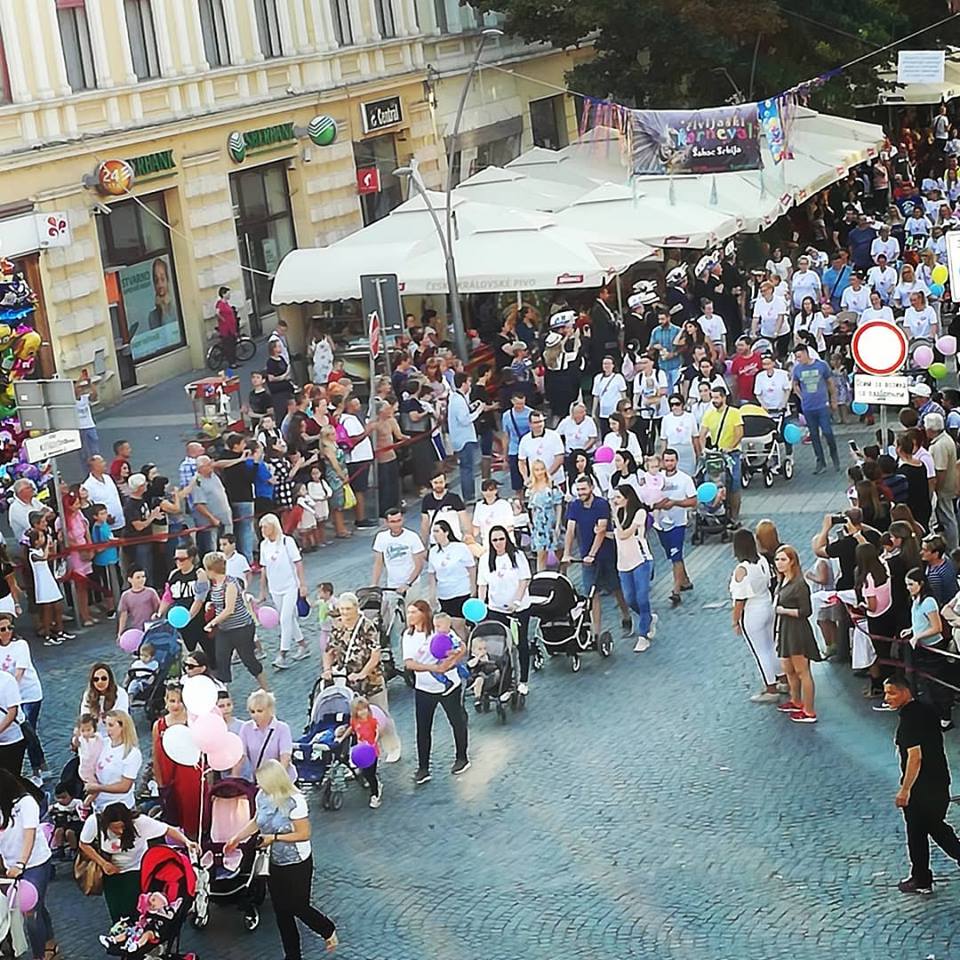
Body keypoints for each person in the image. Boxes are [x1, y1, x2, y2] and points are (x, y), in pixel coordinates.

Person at [224, 760, 337, 955]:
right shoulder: (262, 796)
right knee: (282, 912)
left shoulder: (295, 801)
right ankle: (292, 955)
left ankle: (327, 929)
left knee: (298, 906)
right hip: (275, 861)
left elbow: (303, 834)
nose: (258, 786)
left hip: (297, 861)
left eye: (261, 782)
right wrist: (236, 837)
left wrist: (273, 838)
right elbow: (257, 821)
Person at [883, 673, 960, 894]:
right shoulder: (926, 710)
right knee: (935, 827)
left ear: (905, 692)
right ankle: (922, 877)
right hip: (939, 780)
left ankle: (921, 879)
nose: (887, 697)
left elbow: (914, 758)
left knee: (919, 833)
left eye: (892, 693)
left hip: (921, 788)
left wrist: (905, 790)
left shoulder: (909, 722)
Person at [78, 802, 194, 923]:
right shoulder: (94, 822)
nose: (120, 831)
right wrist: (103, 863)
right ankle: (119, 932)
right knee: (115, 907)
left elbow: (167, 829)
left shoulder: (141, 822)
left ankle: (136, 930)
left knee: (133, 905)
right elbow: (83, 844)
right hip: (110, 871)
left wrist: (187, 842)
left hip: (135, 867)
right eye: (114, 828)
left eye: (122, 827)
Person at [322, 592, 400, 762]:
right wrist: (327, 668)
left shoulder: (367, 626)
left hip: (371, 679)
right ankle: (360, 754)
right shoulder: (338, 627)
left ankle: (392, 747)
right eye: (342, 609)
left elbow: (375, 654)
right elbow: (329, 651)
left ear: (356, 608)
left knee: (381, 713)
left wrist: (363, 673)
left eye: (348, 609)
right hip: (348, 681)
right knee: (355, 719)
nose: (345, 613)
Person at [402, 600, 469, 785]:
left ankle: (461, 757)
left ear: (424, 613)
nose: (410, 616)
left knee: (456, 721)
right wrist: (432, 667)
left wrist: (450, 661)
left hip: (449, 686)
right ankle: (423, 768)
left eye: (414, 612)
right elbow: (408, 663)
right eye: (408, 612)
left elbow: (461, 647)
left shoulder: (439, 629)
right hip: (424, 688)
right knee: (423, 729)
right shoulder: (408, 636)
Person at [562, 475, 631, 639]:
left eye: (584, 489)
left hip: (606, 554)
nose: (581, 493)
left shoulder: (601, 504)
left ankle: (626, 614)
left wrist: (592, 554)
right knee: (592, 593)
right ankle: (597, 632)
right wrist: (566, 552)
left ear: (592, 488)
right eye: (578, 490)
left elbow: (601, 531)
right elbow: (570, 530)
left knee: (615, 588)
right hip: (587, 556)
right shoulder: (574, 506)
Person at [477, 527, 533, 694]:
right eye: (494, 540)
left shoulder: (517, 556)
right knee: (500, 647)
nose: (498, 543)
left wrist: (516, 601)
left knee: (521, 643)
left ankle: (523, 680)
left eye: (501, 539)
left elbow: (524, 580)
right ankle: (505, 682)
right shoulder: (485, 559)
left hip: (519, 609)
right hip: (496, 609)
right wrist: (481, 604)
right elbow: (482, 585)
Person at [204, 551, 268, 689]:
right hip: (224, 629)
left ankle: (266, 689)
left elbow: (229, 609)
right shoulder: (214, 584)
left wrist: (212, 622)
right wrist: (211, 605)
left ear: (211, 569)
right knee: (221, 661)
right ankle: (222, 693)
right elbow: (220, 604)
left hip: (241, 628)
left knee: (248, 660)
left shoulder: (231, 583)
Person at [773, 545, 821, 724]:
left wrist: (783, 610)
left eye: (783, 559)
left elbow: (805, 611)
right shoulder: (782, 580)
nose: (779, 563)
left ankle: (809, 710)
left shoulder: (799, 584)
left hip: (796, 630)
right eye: (777, 559)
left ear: (792, 561)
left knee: (802, 671)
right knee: (789, 668)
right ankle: (796, 700)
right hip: (785, 628)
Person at [729, 530, 779, 702]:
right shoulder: (762, 560)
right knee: (771, 645)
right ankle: (782, 678)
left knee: (760, 651)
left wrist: (735, 621)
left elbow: (739, 600)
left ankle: (770, 688)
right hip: (767, 605)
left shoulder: (741, 569)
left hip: (753, 612)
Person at [150, 683, 202, 839]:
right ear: (166, 701)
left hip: (190, 776)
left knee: (191, 814)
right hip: (168, 776)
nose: (176, 705)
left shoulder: (194, 722)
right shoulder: (158, 726)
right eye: (172, 701)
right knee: (173, 815)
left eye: (179, 701)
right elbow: (156, 756)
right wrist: (159, 782)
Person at [258, 513, 309, 669]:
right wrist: (263, 590)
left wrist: (302, 584)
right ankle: (302, 644)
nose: (262, 530)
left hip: (290, 586)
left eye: (265, 526)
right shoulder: (264, 545)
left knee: (285, 618)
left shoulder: (287, 541)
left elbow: (298, 563)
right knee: (289, 618)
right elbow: (264, 568)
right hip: (275, 587)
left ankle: (282, 653)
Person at [610, 485, 655, 652]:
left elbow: (624, 534)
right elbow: (617, 536)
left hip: (640, 560)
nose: (615, 501)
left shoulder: (639, 513)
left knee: (642, 597)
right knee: (629, 599)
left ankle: (643, 635)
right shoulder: (620, 514)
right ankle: (648, 617)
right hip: (623, 563)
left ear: (627, 498)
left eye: (618, 497)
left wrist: (614, 516)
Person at [653, 449, 697, 606]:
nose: (669, 463)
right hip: (661, 524)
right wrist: (658, 504)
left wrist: (675, 502)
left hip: (678, 522)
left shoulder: (685, 479)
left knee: (676, 555)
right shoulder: (657, 479)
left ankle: (676, 590)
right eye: (667, 460)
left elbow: (693, 501)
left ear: (676, 461)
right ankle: (684, 580)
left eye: (672, 460)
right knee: (673, 556)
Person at [698, 387, 744, 526]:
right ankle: (715, 511)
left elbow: (739, 432)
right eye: (713, 398)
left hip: (732, 454)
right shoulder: (709, 414)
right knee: (713, 481)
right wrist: (703, 450)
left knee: (734, 483)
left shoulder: (734, 413)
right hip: (715, 455)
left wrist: (731, 447)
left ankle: (734, 516)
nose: (715, 401)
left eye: (717, 398)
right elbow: (702, 434)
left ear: (724, 398)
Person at [791, 343, 839, 474]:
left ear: (806, 353)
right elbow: (795, 384)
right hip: (808, 407)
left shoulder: (821, 365)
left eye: (800, 356)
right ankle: (820, 461)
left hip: (822, 405)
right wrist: (802, 397)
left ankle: (834, 456)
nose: (798, 359)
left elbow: (830, 383)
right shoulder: (797, 369)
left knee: (827, 432)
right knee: (814, 435)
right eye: (796, 357)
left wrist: (833, 400)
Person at [83, 710, 141, 813]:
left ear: (123, 726)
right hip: (99, 805)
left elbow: (124, 786)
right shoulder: (104, 743)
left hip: (120, 807)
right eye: (106, 724)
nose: (107, 729)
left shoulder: (132, 753)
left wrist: (98, 788)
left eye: (111, 725)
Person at [158, 545, 208, 657]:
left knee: (209, 652)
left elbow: (200, 598)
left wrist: (189, 616)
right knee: (187, 651)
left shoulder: (199, 574)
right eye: (176, 559)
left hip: (199, 619)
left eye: (181, 559)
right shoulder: (174, 574)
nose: (178, 562)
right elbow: (168, 596)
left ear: (191, 558)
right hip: (179, 619)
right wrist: (160, 612)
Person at [235, 690, 295, 782]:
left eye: (259, 711)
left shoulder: (282, 728)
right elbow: (240, 756)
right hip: (259, 779)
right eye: (252, 711)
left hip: (282, 780)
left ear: (270, 710)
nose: (255, 715)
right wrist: (234, 777)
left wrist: (275, 780)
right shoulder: (246, 728)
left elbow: (285, 757)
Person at [427, 520, 476, 632]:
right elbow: (432, 575)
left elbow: (471, 568)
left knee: (459, 624)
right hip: (444, 594)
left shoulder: (460, 548)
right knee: (448, 626)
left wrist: (473, 588)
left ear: (446, 532)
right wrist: (432, 595)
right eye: (433, 532)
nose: (434, 534)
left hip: (461, 591)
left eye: (437, 531)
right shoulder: (433, 552)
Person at [372, 508, 426, 594]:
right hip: (392, 585)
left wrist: (408, 583)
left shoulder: (413, 537)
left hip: (412, 585)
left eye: (399, 521)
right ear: (386, 522)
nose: (397, 524)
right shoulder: (381, 537)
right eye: (393, 522)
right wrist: (374, 584)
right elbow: (378, 563)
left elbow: (419, 564)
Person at [926, 413, 958, 551]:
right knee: (948, 517)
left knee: (948, 519)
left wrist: (935, 490)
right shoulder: (946, 439)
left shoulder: (939, 446)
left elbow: (940, 470)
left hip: (943, 488)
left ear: (931, 430)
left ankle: (953, 548)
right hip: (948, 486)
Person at [526, 459, 563, 572]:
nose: (540, 472)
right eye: (537, 470)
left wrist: (557, 524)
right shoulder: (531, 488)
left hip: (551, 519)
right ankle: (540, 576)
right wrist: (532, 525)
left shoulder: (552, 485)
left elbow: (558, 505)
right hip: (538, 522)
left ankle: (562, 574)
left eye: (542, 469)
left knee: (558, 550)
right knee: (541, 553)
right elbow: (531, 509)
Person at [517, 411, 565, 488]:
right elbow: (521, 461)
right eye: (536, 422)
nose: (539, 425)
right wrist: (526, 478)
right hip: (536, 482)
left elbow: (559, 458)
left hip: (555, 480)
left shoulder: (554, 436)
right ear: (530, 424)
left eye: (541, 421)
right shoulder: (525, 440)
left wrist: (547, 475)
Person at [419, 471, 468, 545]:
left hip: (455, 540)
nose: (438, 485)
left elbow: (464, 520)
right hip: (435, 542)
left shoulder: (454, 498)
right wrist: (423, 544)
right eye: (435, 483)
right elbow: (425, 524)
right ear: (431, 483)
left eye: (441, 482)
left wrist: (469, 536)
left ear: (445, 482)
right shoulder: (427, 500)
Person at [79, 663, 129, 735]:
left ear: (109, 679)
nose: (100, 682)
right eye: (96, 679)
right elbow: (84, 716)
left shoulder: (120, 693)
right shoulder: (88, 695)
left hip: (116, 734)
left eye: (104, 678)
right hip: (94, 734)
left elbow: (122, 717)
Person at [116, 568, 160, 638]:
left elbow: (158, 608)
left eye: (143, 577)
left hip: (151, 627)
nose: (141, 579)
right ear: (130, 579)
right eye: (138, 577)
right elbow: (123, 614)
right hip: (135, 629)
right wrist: (120, 632)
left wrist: (156, 615)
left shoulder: (151, 592)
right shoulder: (126, 595)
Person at [472, 480, 515, 548]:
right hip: (487, 542)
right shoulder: (479, 505)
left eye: (491, 490)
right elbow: (476, 527)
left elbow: (510, 526)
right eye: (485, 490)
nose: (488, 493)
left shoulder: (504, 504)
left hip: (503, 541)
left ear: (496, 490)